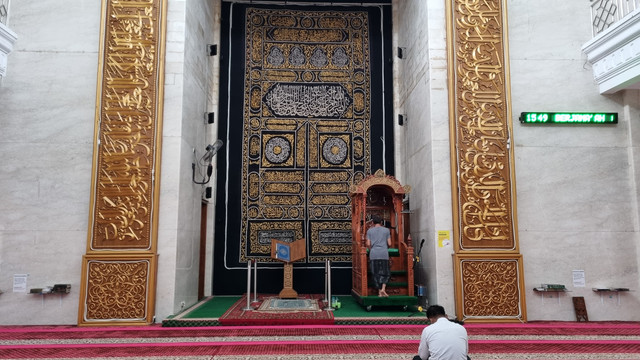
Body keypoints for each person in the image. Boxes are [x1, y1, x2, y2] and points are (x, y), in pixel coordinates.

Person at [366, 214, 391, 297]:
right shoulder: (386, 230)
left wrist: (371, 249)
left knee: (375, 273)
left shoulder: (369, 231)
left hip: (374, 254)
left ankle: (380, 291)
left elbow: (368, 244)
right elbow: (389, 243)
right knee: (385, 273)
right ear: (381, 222)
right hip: (384, 253)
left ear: (372, 222)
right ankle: (383, 289)